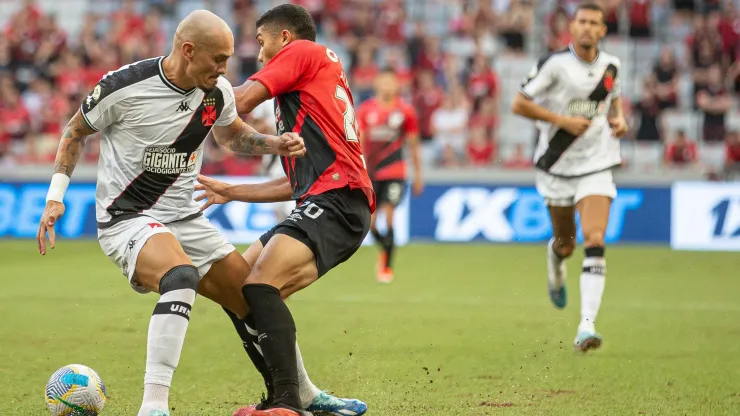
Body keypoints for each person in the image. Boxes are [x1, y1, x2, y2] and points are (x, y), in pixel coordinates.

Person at [35, 10, 365, 416]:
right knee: (181, 277)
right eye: (219, 59)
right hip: (128, 217)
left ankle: (304, 394)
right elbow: (74, 132)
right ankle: (154, 407)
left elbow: (232, 135)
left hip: (185, 219)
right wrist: (56, 196)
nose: (225, 69)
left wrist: (272, 144)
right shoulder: (124, 86)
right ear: (188, 50)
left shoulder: (217, 92)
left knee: (253, 298)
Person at [195, 4, 375, 416]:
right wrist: (232, 190)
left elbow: (236, 103)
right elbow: (297, 184)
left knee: (260, 286)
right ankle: (299, 396)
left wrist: (184, 92)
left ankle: (288, 403)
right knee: (237, 288)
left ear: (285, 38)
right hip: (325, 198)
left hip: (339, 201)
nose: (259, 56)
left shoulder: (303, 53)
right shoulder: (307, 87)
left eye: (262, 43)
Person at [511, 2, 628, 353]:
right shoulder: (555, 65)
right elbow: (519, 103)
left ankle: (586, 326)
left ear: (603, 30)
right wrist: (560, 121)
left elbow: (614, 101)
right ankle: (555, 260)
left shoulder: (612, 66)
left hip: (597, 162)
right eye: (583, 22)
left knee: (595, 238)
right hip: (557, 164)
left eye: (595, 23)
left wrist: (619, 121)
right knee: (566, 244)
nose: (588, 28)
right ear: (572, 27)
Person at [355, 68, 423, 283]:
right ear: (376, 83)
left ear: (397, 85)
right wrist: (358, 170)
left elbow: (413, 144)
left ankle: (387, 267)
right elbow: (359, 143)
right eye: (383, 81)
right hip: (371, 173)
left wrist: (418, 173)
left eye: (391, 82)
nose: (387, 86)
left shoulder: (405, 111)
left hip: (395, 172)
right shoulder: (366, 110)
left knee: (390, 216)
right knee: (371, 223)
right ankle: (385, 250)